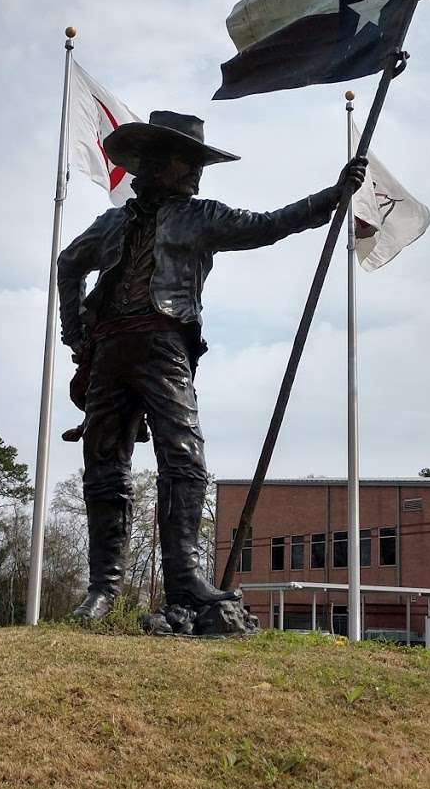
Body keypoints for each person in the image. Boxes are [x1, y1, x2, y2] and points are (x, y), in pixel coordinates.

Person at [57, 109, 367, 621]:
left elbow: (269, 225)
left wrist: (332, 197)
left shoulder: (202, 217)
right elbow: (70, 263)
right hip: (109, 348)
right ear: (155, 165)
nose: (197, 173)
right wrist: (75, 330)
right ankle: (102, 589)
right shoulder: (112, 222)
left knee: (183, 458)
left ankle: (183, 583)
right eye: (187, 161)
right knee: (104, 464)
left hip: (164, 345)